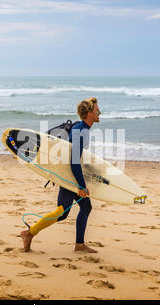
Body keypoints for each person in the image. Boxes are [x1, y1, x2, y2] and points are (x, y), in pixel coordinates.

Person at [20, 97, 101, 253]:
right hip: (68, 174)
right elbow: (73, 161)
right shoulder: (80, 130)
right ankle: (28, 233)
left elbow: (74, 157)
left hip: (67, 173)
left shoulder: (81, 127)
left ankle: (79, 244)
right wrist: (81, 185)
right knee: (62, 211)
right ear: (90, 112)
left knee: (84, 207)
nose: (99, 112)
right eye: (97, 109)